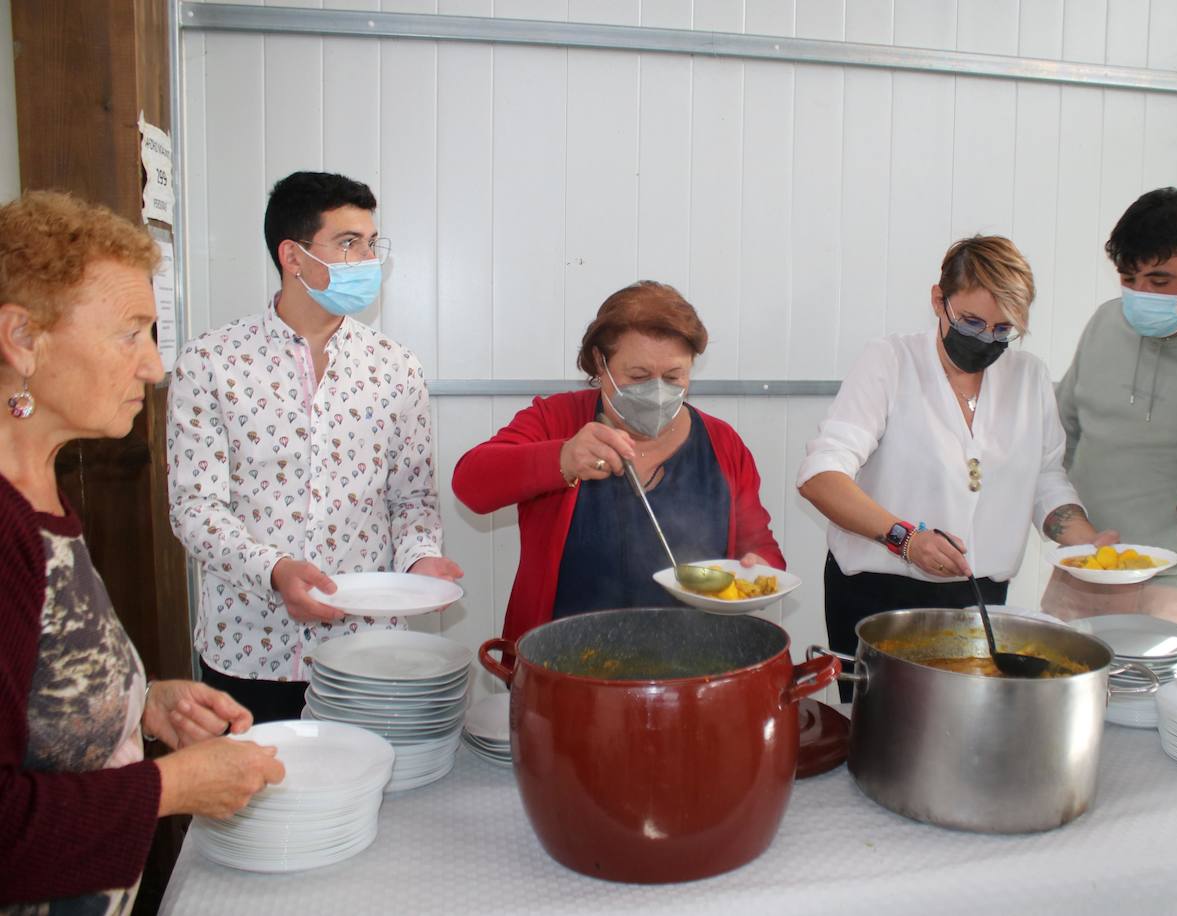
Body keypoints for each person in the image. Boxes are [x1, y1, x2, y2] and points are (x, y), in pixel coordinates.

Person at [0, 191, 284, 910]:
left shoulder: (40, 489)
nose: (155, 368)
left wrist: (139, 705)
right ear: (22, 339)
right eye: (132, 333)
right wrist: (174, 785)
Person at [168, 171, 461, 724]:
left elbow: (412, 498)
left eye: (372, 244)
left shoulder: (395, 368)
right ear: (293, 256)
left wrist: (420, 557)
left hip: (366, 649)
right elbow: (195, 509)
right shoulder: (211, 362)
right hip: (250, 648)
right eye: (349, 243)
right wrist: (275, 570)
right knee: (257, 803)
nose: (368, 260)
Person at [798, 236, 1113, 696]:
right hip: (881, 594)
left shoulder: (1028, 378)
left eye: (1003, 330)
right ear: (937, 301)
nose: (986, 339)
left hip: (980, 598)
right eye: (971, 321)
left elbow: (1047, 478)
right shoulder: (891, 361)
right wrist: (904, 538)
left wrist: (1087, 543)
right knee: (885, 739)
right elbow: (821, 477)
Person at [452, 280, 783, 642]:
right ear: (601, 363)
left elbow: (759, 545)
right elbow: (471, 484)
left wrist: (758, 569)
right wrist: (562, 458)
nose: (658, 390)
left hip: (691, 665)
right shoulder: (556, 419)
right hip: (560, 665)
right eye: (638, 376)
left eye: (674, 377)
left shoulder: (722, 443)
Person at [1047, 188, 1177, 627]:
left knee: (1163, 695)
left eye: (1160, 282)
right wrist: (1072, 536)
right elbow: (1060, 438)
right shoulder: (1105, 323)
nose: (1141, 295)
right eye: (1127, 279)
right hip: (1087, 570)